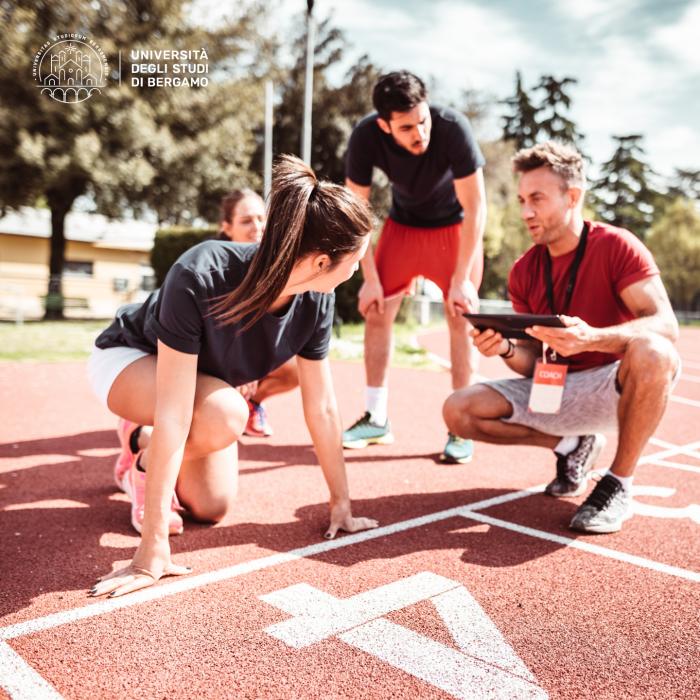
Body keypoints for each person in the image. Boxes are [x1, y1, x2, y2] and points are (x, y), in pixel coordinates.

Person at [87, 156, 378, 598]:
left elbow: (322, 406)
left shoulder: (318, 300)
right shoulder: (201, 272)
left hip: (201, 381)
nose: (358, 268)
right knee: (226, 413)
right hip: (131, 358)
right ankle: (139, 441)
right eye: (356, 258)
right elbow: (174, 410)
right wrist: (151, 552)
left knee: (211, 506)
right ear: (321, 261)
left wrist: (342, 505)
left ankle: (141, 452)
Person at [443, 141, 680, 534]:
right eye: (521, 200)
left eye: (537, 198)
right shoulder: (524, 270)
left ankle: (618, 483)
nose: (526, 212)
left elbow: (665, 324)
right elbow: (533, 360)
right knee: (458, 409)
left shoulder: (617, 246)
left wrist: (592, 339)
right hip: (553, 387)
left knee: (656, 352)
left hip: (612, 386)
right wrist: (503, 348)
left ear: (572, 196)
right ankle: (572, 446)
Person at [340, 70, 487, 465]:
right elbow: (357, 212)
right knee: (376, 311)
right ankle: (376, 417)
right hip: (403, 228)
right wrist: (369, 279)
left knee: (461, 315)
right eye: (406, 127)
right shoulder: (365, 136)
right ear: (385, 125)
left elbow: (476, 208)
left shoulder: (453, 127)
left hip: (454, 229)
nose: (419, 132)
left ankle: (462, 424)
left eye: (422, 120)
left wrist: (460, 280)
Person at [218, 188, 299, 437]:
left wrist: (250, 366)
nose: (257, 226)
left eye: (261, 218)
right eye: (246, 221)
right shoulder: (213, 268)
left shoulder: (274, 267)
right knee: (214, 422)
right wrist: (239, 367)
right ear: (227, 227)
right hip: (210, 358)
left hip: (247, 355)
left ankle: (251, 403)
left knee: (296, 370)